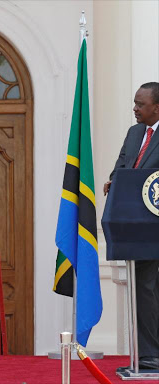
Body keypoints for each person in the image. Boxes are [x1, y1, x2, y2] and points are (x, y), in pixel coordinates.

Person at [103, 82, 159, 370]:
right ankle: (145, 356)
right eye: (135, 103)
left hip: (154, 226)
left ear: (157, 107)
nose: (135, 108)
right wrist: (114, 181)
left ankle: (152, 355)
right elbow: (122, 166)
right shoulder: (134, 132)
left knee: (149, 289)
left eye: (140, 104)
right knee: (142, 288)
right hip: (134, 224)